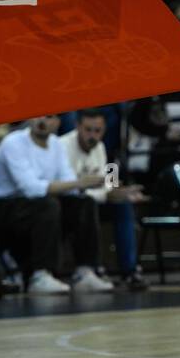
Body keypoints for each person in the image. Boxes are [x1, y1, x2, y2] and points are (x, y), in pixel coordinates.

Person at [0, 115, 112, 293]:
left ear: (57, 122)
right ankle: (40, 275)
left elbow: (68, 184)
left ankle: (84, 271)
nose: (42, 121)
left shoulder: (56, 144)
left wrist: (84, 185)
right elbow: (30, 188)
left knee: (83, 202)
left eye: (49, 117)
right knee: (48, 204)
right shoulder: (13, 142)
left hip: (31, 208)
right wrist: (80, 182)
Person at [58, 109, 150, 290]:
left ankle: (130, 271)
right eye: (88, 130)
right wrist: (106, 193)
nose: (92, 135)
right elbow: (70, 190)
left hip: (92, 200)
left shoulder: (100, 148)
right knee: (87, 204)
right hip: (66, 205)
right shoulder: (61, 146)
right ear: (77, 126)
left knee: (123, 205)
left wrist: (121, 192)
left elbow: (106, 183)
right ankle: (90, 269)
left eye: (97, 131)